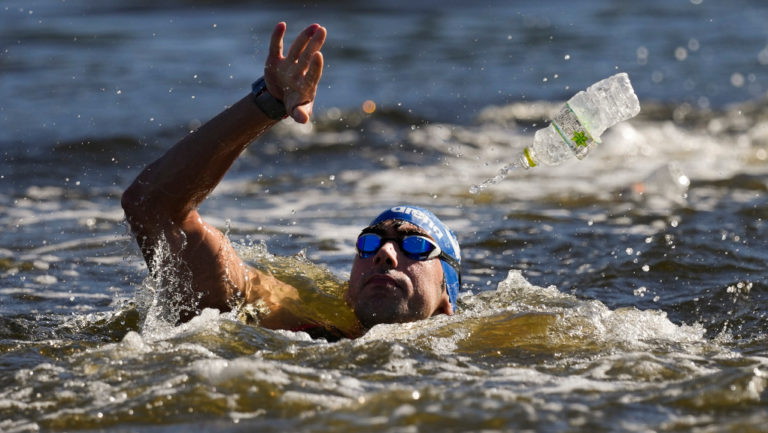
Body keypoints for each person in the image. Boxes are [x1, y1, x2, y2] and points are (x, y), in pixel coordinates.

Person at [121, 22, 461, 340]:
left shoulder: (486, 358)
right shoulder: (285, 315)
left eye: (415, 245)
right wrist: (266, 104)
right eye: (369, 243)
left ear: (447, 297)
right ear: (348, 291)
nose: (384, 253)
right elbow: (152, 206)